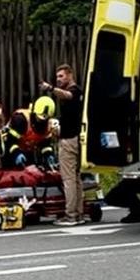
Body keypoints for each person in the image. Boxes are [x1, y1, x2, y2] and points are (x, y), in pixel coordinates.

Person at [41, 64, 85, 226]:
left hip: (69, 140)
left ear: (70, 75)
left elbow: (66, 95)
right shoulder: (76, 92)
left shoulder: (74, 91)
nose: (58, 79)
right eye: (57, 77)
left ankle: (71, 214)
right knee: (76, 179)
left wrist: (50, 88)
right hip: (75, 138)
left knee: (68, 179)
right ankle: (79, 213)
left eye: (61, 76)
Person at [1, 96, 57, 170]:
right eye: (39, 118)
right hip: (10, 151)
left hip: (27, 150)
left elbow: (45, 144)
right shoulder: (20, 119)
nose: (41, 121)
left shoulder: (47, 124)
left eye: (45, 119)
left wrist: (48, 154)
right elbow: (10, 141)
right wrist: (16, 153)